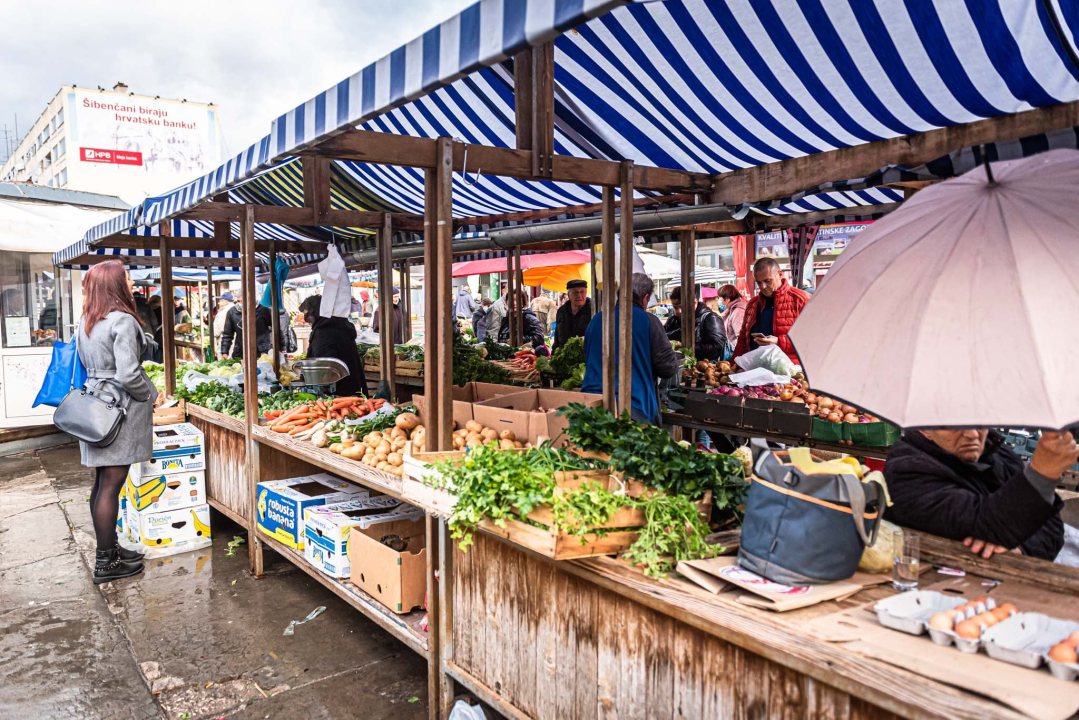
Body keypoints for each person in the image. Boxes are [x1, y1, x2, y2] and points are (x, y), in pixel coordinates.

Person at [76, 261, 156, 583]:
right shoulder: (122, 320)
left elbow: (86, 362)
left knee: (102, 483)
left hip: (94, 405)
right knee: (112, 484)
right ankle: (106, 563)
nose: (131, 281)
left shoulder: (86, 321)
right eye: (127, 277)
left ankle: (110, 550)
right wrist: (149, 394)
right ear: (115, 285)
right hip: (118, 407)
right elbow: (128, 373)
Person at [884, 428, 1076, 563]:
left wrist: (1020, 550)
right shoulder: (906, 472)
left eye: (979, 422)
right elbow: (981, 522)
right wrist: (1042, 473)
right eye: (954, 426)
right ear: (924, 429)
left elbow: (1051, 526)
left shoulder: (999, 453)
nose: (972, 434)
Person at [582, 273, 681, 425]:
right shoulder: (649, 321)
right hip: (633, 409)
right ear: (645, 298)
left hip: (591, 405)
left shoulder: (596, 320)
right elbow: (667, 368)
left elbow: (588, 358)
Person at [733, 258, 811, 363]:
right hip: (757, 370)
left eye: (767, 281)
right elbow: (742, 342)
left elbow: (814, 338)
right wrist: (733, 367)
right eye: (759, 282)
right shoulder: (752, 304)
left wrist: (779, 342)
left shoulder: (801, 300)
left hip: (792, 372)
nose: (763, 287)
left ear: (780, 274)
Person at [298, 295, 367, 397]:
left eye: (307, 315)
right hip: (352, 387)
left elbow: (323, 368)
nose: (307, 321)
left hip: (339, 394)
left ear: (314, 313)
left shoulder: (324, 331)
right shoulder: (338, 325)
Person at [219, 293, 273, 359]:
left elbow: (275, 329)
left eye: (243, 301)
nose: (240, 303)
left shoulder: (263, 310)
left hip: (261, 351)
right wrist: (224, 352)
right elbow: (227, 334)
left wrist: (281, 347)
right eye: (238, 301)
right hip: (240, 351)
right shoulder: (232, 312)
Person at [498, 290, 549, 355]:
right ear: (506, 302)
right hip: (506, 357)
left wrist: (518, 340)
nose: (515, 303)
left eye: (517, 300)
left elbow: (539, 338)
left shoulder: (529, 318)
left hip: (523, 357)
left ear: (522, 302)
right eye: (511, 300)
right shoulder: (505, 319)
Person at [552, 279, 592, 353]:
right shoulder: (562, 311)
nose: (579, 295)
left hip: (585, 357)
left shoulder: (593, 310)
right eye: (575, 293)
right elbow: (557, 338)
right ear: (569, 295)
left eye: (582, 292)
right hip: (564, 357)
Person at [717, 285, 747, 349]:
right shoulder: (731, 309)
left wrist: (730, 348)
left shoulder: (738, 312)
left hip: (735, 351)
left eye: (720, 298)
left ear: (727, 299)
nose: (719, 301)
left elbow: (741, 337)